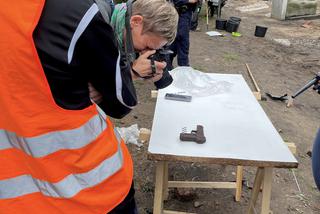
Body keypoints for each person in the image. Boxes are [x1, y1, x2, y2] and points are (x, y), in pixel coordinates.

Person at [0, 0, 178, 213]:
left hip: (18, 180)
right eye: (148, 47)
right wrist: (132, 72)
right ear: (136, 21)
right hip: (87, 181)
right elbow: (121, 102)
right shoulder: (85, 16)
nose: (146, 53)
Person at [167, 0, 198, 71]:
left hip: (186, 13)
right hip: (175, 11)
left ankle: (181, 68)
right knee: (179, 39)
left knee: (179, 40)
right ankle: (180, 67)